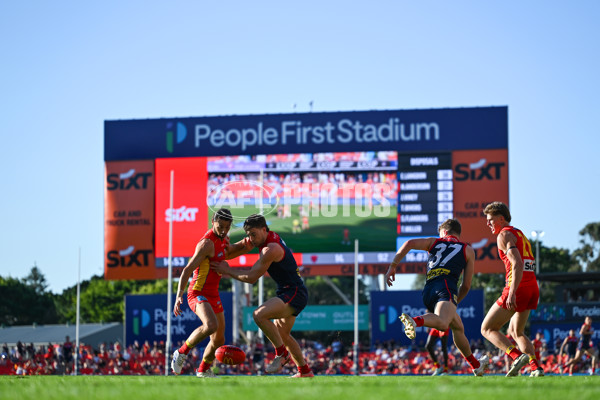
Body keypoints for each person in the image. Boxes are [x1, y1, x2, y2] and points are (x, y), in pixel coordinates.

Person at [210, 214, 314, 378]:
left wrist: (227, 270)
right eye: (248, 234)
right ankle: (305, 371)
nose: (251, 238)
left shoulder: (270, 249)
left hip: (294, 293)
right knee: (283, 335)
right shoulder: (261, 238)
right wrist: (224, 246)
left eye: (253, 234)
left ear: (264, 229)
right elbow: (234, 250)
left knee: (259, 315)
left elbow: (251, 278)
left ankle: (282, 354)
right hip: (289, 291)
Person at [384, 218, 489, 376]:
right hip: (446, 288)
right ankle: (415, 321)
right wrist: (454, 301)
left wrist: (393, 266)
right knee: (442, 322)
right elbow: (466, 285)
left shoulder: (434, 242)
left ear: (445, 232)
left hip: (428, 291)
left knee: (458, 328)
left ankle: (476, 365)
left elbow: (410, 243)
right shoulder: (467, 249)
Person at [480, 201, 544, 377]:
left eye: (491, 220)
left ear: (501, 219)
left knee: (486, 329)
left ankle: (516, 357)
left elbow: (517, 263)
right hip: (532, 287)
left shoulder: (503, 235)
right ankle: (535, 368)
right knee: (517, 331)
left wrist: (513, 292)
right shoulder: (519, 233)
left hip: (518, 287)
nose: (488, 224)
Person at [171, 208, 233, 378]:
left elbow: (230, 252)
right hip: (197, 292)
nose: (223, 230)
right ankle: (181, 353)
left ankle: (203, 370)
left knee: (219, 339)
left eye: (227, 227)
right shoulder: (206, 244)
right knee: (211, 325)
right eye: (220, 226)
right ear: (213, 221)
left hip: (214, 294)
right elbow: (187, 270)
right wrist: (178, 296)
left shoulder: (224, 239)